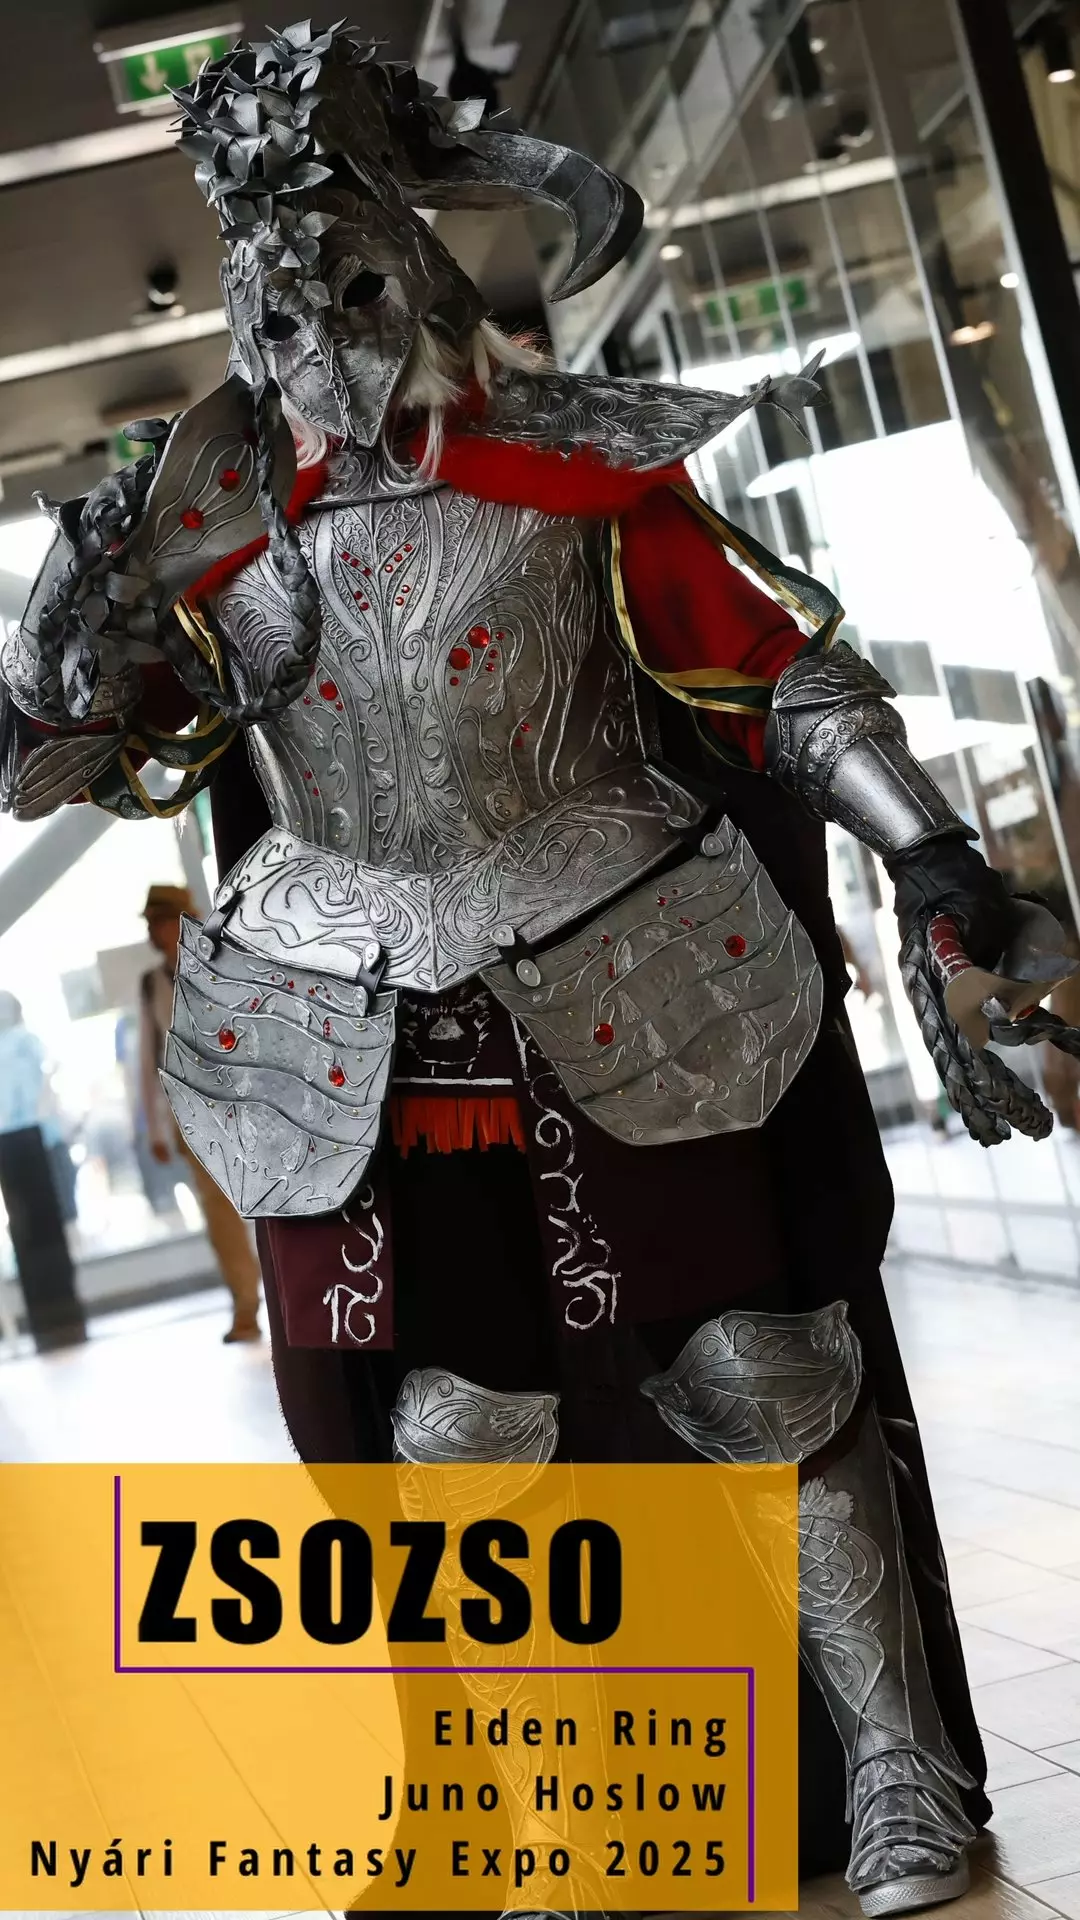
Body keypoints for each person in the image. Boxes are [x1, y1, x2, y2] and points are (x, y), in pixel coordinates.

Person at [7, 23, 1080, 1908]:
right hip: (354, 1006)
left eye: (348, 281)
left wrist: (927, 849)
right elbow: (72, 756)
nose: (322, 341)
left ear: (412, 269)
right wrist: (54, 635)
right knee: (453, 1434)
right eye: (281, 304)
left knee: (760, 1369)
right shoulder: (222, 545)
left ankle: (896, 1770)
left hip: (627, 939)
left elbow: (774, 675)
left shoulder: (570, 478)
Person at [138, 884, 261, 1343]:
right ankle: (245, 1305)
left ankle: (294, 1296)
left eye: (159, 922)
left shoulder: (221, 962)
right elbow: (148, 1059)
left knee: (272, 1200)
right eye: (151, 924)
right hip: (191, 1111)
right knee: (218, 1215)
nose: (154, 933)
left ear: (181, 920)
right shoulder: (151, 984)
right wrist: (154, 1127)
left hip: (244, 1103)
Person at [0, 989, 78, 1220]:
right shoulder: (15, 1041)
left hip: (37, 1135)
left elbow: (50, 1066)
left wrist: (44, 1105)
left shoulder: (24, 1039)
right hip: (22, 1138)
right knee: (42, 1211)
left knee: (56, 1207)